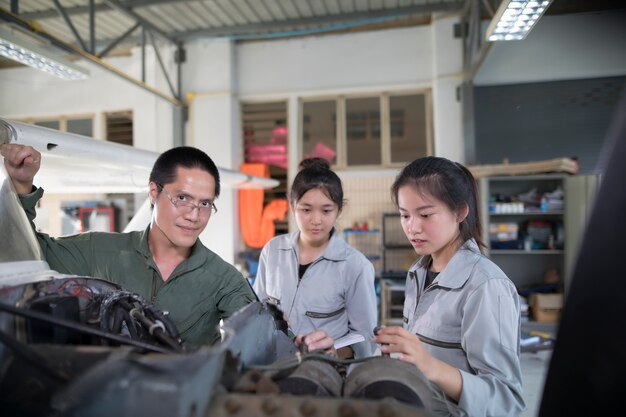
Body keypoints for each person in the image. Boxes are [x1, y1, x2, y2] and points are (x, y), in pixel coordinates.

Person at [0, 143, 256, 347]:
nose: (194, 215)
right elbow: (32, 253)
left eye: (205, 204)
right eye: (182, 198)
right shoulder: (99, 250)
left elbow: (264, 340)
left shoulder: (225, 280)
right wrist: (22, 188)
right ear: (154, 193)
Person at [373, 156, 524, 416]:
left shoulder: (485, 286)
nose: (412, 227)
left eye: (425, 214)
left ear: (460, 212)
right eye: (404, 215)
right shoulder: (419, 272)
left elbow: (506, 401)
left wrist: (429, 365)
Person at [253, 157, 377, 358]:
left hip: (326, 371)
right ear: (292, 207)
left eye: (326, 210)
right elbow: (256, 309)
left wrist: (334, 351)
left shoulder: (354, 265)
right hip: (274, 363)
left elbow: (365, 338)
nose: (316, 220)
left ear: (339, 210)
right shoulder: (273, 251)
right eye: (306, 210)